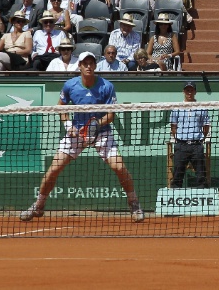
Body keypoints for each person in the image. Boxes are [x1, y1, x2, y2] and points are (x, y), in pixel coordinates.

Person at [20, 51, 144, 222]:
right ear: (79, 66)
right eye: (85, 63)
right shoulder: (70, 85)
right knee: (54, 169)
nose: (88, 66)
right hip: (76, 133)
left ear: (95, 66)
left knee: (119, 168)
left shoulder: (107, 86)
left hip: (101, 134)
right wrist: (68, 126)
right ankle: (39, 205)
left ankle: (134, 204)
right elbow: (61, 109)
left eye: (91, 63)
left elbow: (110, 115)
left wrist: (97, 124)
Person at [169, 81, 211, 189]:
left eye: (191, 90)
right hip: (181, 145)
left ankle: (203, 198)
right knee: (177, 175)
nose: (189, 92)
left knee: (201, 175)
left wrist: (201, 139)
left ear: (195, 92)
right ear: (183, 91)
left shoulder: (202, 108)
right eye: (187, 90)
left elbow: (206, 126)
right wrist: (178, 139)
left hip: (196, 145)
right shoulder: (176, 107)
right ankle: (174, 198)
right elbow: (173, 126)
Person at [47, 0, 112, 32]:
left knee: (79, 18)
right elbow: (50, 5)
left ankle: (79, 38)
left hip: (71, 15)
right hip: (59, 13)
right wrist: (55, 14)